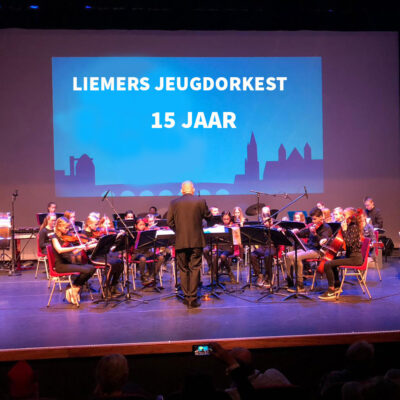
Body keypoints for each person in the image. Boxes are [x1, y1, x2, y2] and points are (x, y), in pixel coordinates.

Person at [167, 181, 211, 308]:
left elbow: (169, 222)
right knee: (195, 268)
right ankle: (193, 298)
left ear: (182, 190)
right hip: (197, 241)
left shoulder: (174, 203)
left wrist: (179, 232)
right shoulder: (200, 201)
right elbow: (208, 216)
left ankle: (186, 297)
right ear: (193, 190)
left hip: (181, 241)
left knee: (183, 269)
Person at [319, 208, 363, 300]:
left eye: (344, 215)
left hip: (355, 258)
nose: (343, 217)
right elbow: (338, 239)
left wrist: (344, 230)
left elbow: (349, 243)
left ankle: (331, 291)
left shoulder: (354, 227)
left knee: (328, 264)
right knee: (332, 260)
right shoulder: (349, 226)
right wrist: (327, 240)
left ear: (351, 217)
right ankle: (337, 286)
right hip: (350, 256)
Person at [49, 217, 95, 305]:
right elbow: (60, 250)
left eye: (68, 228)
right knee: (87, 270)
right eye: (66, 228)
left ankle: (73, 287)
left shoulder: (67, 237)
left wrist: (85, 245)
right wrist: (77, 247)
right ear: (59, 227)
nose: (68, 230)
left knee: (92, 268)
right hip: (61, 265)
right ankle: (74, 288)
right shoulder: (54, 237)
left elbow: (73, 252)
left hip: (69, 262)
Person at [285, 207, 332, 292]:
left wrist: (315, 234)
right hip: (308, 248)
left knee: (297, 257)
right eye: (312, 219)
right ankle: (290, 282)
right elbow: (302, 233)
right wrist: (297, 232)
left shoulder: (326, 228)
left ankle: (300, 285)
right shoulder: (313, 226)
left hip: (318, 251)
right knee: (288, 255)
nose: (313, 221)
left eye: (315, 219)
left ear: (321, 217)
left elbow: (323, 243)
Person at [83, 214, 124, 297]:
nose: (97, 226)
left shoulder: (96, 232)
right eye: (95, 224)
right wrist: (95, 244)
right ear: (89, 224)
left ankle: (113, 286)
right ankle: (105, 289)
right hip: (92, 257)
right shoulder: (83, 234)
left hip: (101, 255)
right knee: (110, 265)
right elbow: (85, 249)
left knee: (120, 262)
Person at [203, 212, 236, 283]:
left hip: (229, 248)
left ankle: (230, 273)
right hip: (220, 247)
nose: (226, 220)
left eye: (227, 219)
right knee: (215, 256)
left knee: (223, 256)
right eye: (224, 219)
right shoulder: (220, 227)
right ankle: (215, 275)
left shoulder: (233, 226)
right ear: (222, 219)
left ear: (230, 219)